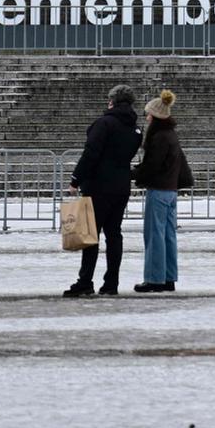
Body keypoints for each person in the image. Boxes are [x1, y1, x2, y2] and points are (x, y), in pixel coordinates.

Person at [64, 85, 143, 298]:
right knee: (114, 234)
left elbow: (91, 153)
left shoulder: (104, 123)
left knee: (91, 235)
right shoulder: (135, 129)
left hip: (98, 186)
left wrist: (75, 179)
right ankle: (111, 283)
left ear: (112, 101)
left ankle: (85, 281)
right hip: (121, 187)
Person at [132, 89, 194, 293]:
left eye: (149, 113)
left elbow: (153, 165)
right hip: (170, 191)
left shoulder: (159, 137)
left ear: (156, 115)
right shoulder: (171, 135)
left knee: (154, 235)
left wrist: (134, 174)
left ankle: (154, 279)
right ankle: (168, 277)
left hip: (158, 190)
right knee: (168, 235)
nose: (147, 117)